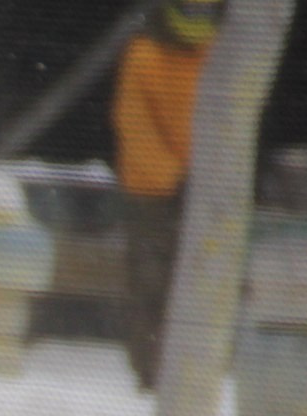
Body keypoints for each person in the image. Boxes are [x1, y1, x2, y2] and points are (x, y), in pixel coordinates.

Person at [112, 0, 220, 389]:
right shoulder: (143, 54)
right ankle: (151, 373)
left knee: (202, 288)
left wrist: (210, 176)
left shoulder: (220, 58)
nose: (197, 20)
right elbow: (133, 122)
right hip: (151, 194)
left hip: (206, 193)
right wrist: (174, 175)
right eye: (189, 12)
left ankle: (194, 375)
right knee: (152, 286)